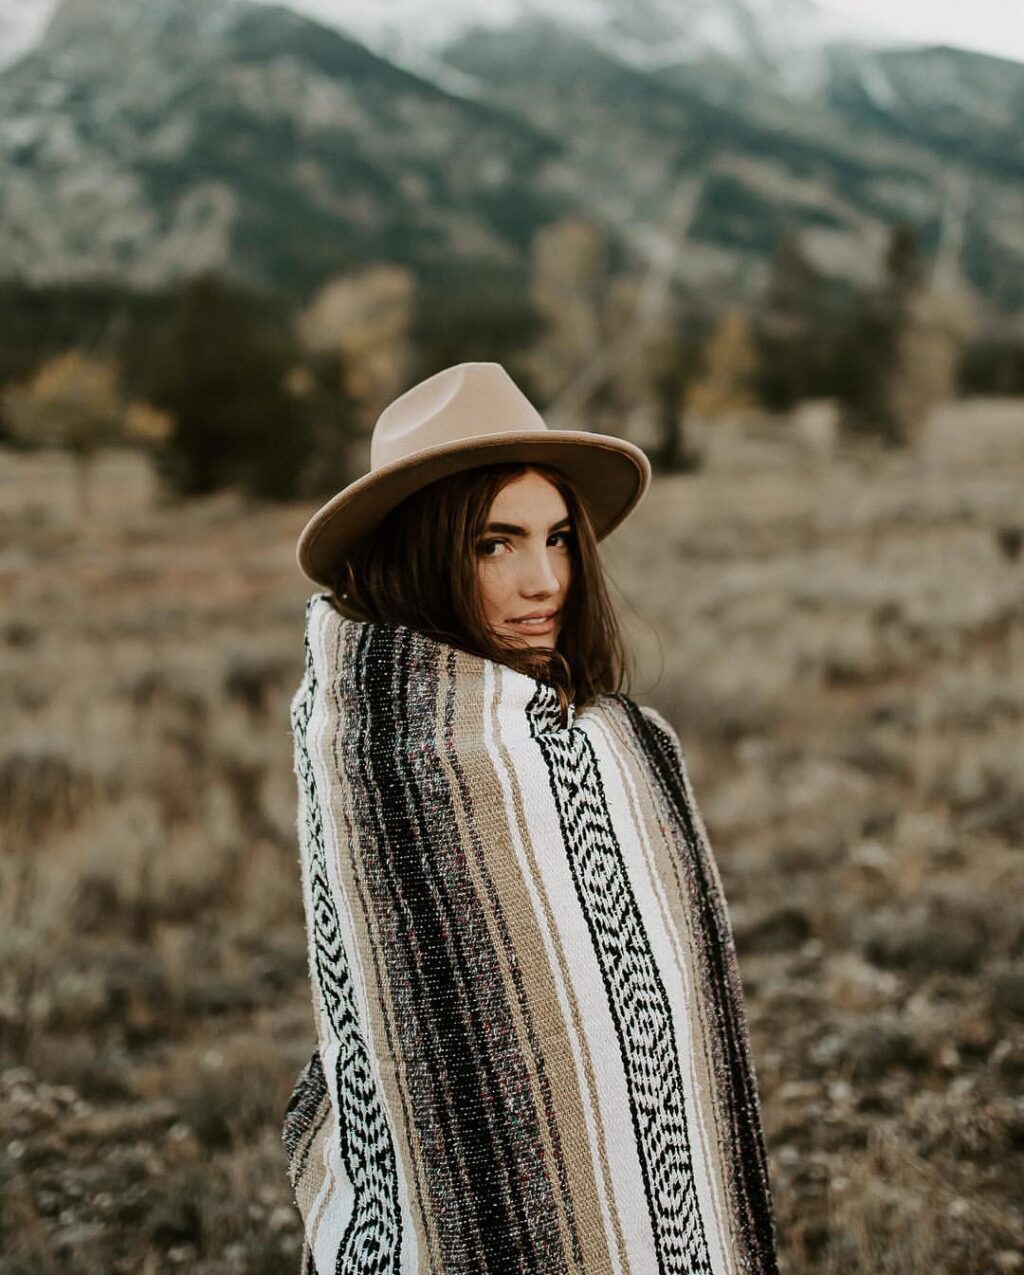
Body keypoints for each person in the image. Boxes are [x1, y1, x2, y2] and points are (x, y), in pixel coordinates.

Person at [283, 362, 778, 1274]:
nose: (543, 580)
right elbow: (406, 1030)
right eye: (492, 545)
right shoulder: (372, 743)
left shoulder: (628, 742)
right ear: (418, 555)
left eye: (556, 539)